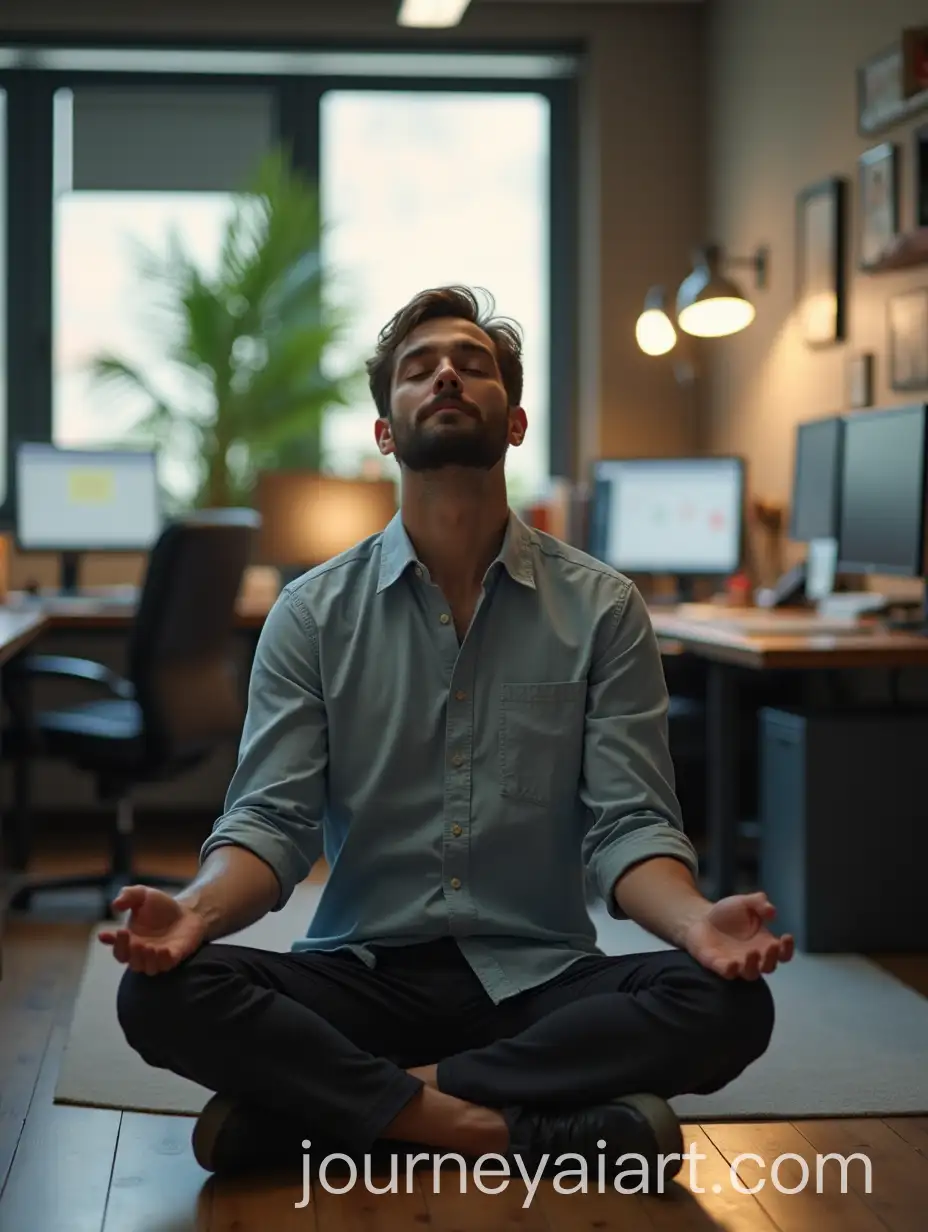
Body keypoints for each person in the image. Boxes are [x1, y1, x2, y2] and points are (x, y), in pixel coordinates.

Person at [106, 285, 790, 1188]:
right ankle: (504, 1129)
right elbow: (273, 820)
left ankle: (336, 1115)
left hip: (540, 981)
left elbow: (628, 825)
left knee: (729, 1005)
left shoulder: (604, 608)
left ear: (516, 422)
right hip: (361, 975)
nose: (446, 377)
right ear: (386, 432)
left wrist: (699, 922)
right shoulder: (311, 614)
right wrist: (194, 910)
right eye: (419, 368)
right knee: (158, 995)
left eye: (473, 364)